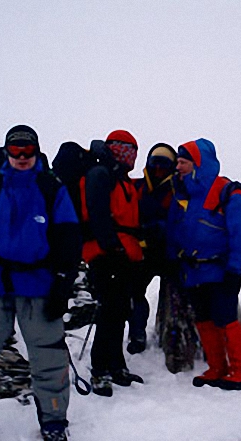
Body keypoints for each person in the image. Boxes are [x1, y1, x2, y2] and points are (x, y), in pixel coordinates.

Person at [0, 125, 82, 441]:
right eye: (16, 150)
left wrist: (62, 284)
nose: (23, 156)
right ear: (6, 152)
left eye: (28, 150)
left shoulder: (53, 189)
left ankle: (53, 424)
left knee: (49, 359)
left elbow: (68, 240)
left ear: (37, 151)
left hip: (40, 287)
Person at [167, 138, 241, 390]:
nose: (178, 167)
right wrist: (173, 259)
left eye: (183, 162)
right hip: (193, 270)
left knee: (226, 318)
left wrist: (236, 269)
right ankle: (217, 368)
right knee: (204, 319)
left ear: (198, 163)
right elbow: (175, 230)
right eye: (178, 162)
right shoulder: (183, 193)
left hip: (221, 270)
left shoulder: (227, 191)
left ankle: (240, 370)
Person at [80, 129, 144, 397]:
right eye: (128, 149)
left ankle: (116, 366)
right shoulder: (101, 174)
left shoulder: (119, 178)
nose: (131, 156)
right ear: (116, 149)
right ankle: (100, 370)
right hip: (107, 255)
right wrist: (112, 248)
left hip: (121, 254)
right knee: (109, 312)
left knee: (119, 311)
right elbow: (97, 215)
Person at [127, 143, 177, 355]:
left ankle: (174, 338)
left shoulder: (180, 189)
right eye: (155, 164)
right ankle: (137, 333)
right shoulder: (137, 187)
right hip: (144, 252)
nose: (158, 169)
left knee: (176, 296)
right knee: (135, 293)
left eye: (164, 165)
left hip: (170, 253)